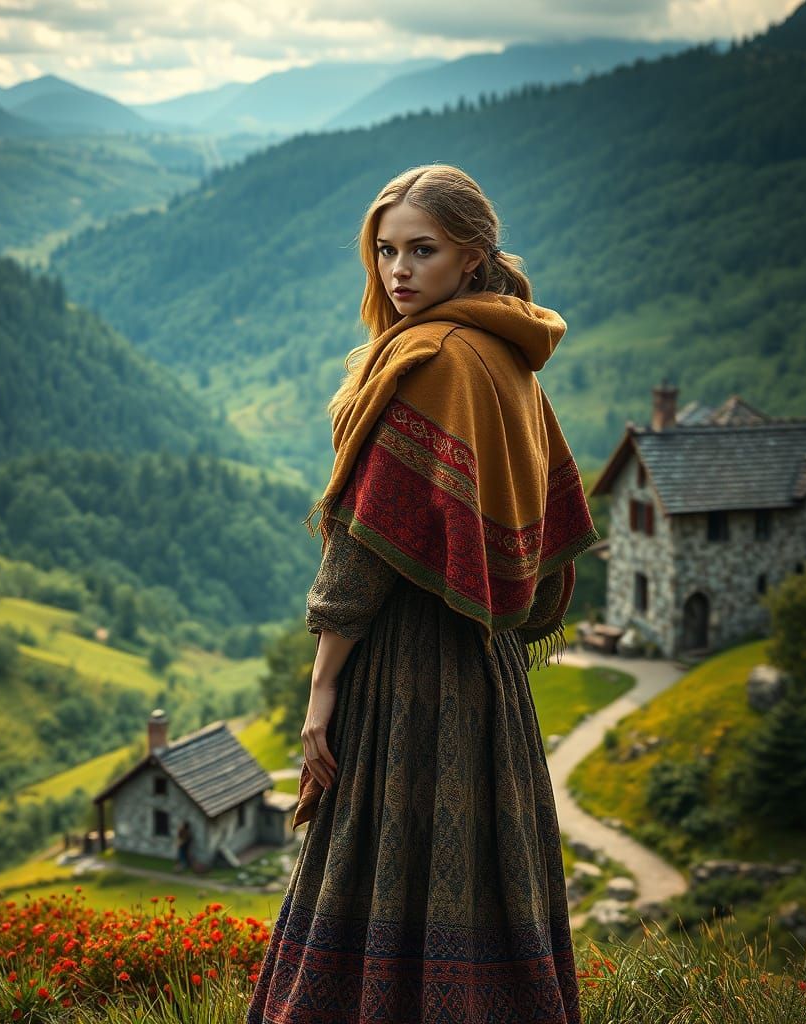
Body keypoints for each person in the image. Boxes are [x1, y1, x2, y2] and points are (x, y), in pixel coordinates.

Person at [245, 164, 599, 1024]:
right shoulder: (507, 352)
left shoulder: (436, 358)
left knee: (375, 853)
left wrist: (321, 689)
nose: (398, 270)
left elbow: (365, 544)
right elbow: (552, 512)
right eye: (385, 250)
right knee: (482, 863)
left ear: (472, 255)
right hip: (488, 670)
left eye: (422, 250)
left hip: (407, 665)